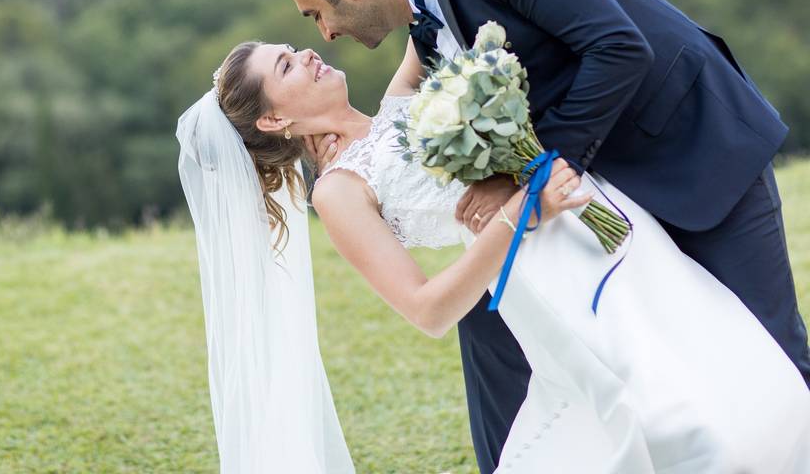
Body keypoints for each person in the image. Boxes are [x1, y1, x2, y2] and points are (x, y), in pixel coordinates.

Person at [270, 0, 810, 471]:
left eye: (314, 14)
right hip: (595, 217)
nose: (325, 34)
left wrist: (523, 179)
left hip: (695, 149)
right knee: (662, 399)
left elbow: (619, 48)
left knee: (771, 360)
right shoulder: (424, 32)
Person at [177, 41, 810, 472]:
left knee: (730, 375)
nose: (307, 53)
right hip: (545, 288)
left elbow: (420, 18)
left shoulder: (401, 107)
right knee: (669, 420)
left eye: (294, 48)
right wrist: (518, 216)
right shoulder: (340, 190)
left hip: (608, 240)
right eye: (285, 66)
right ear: (271, 123)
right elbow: (427, 310)